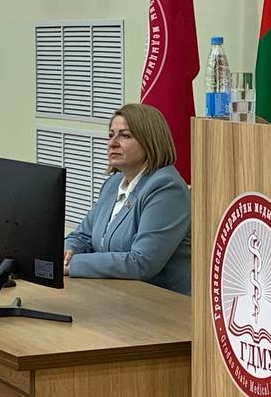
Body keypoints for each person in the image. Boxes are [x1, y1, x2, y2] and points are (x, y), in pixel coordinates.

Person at [63, 103, 192, 295]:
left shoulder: (166, 188)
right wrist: (67, 251)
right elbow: (82, 236)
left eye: (125, 136)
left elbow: (141, 262)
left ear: (150, 141)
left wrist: (72, 265)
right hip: (113, 295)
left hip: (158, 304)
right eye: (110, 135)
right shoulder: (113, 183)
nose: (112, 143)